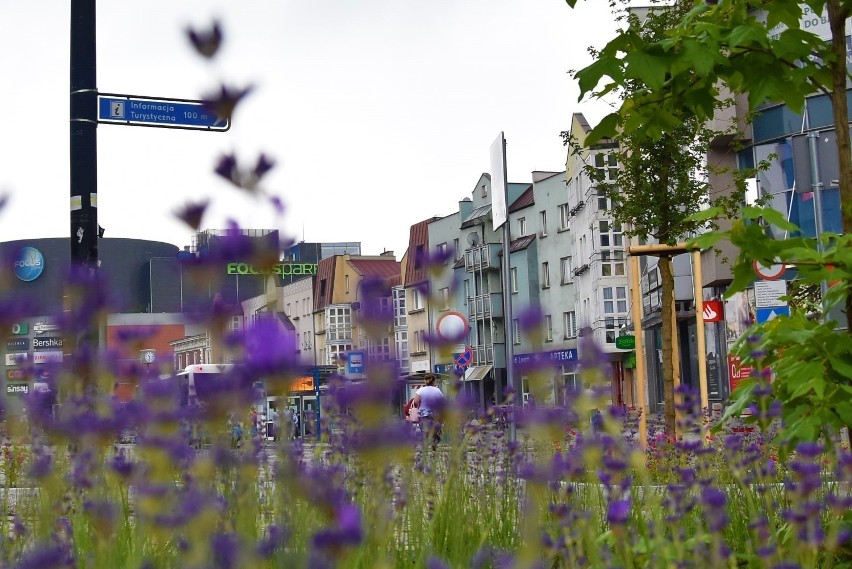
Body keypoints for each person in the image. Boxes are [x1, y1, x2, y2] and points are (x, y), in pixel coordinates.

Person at [413, 374, 444, 449]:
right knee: (435, 429)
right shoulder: (437, 390)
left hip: (423, 414)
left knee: (425, 431)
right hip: (435, 414)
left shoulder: (420, 390)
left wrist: (417, 407)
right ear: (434, 381)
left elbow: (415, 402)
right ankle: (434, 441)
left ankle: (425, 446)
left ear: (425, 381)